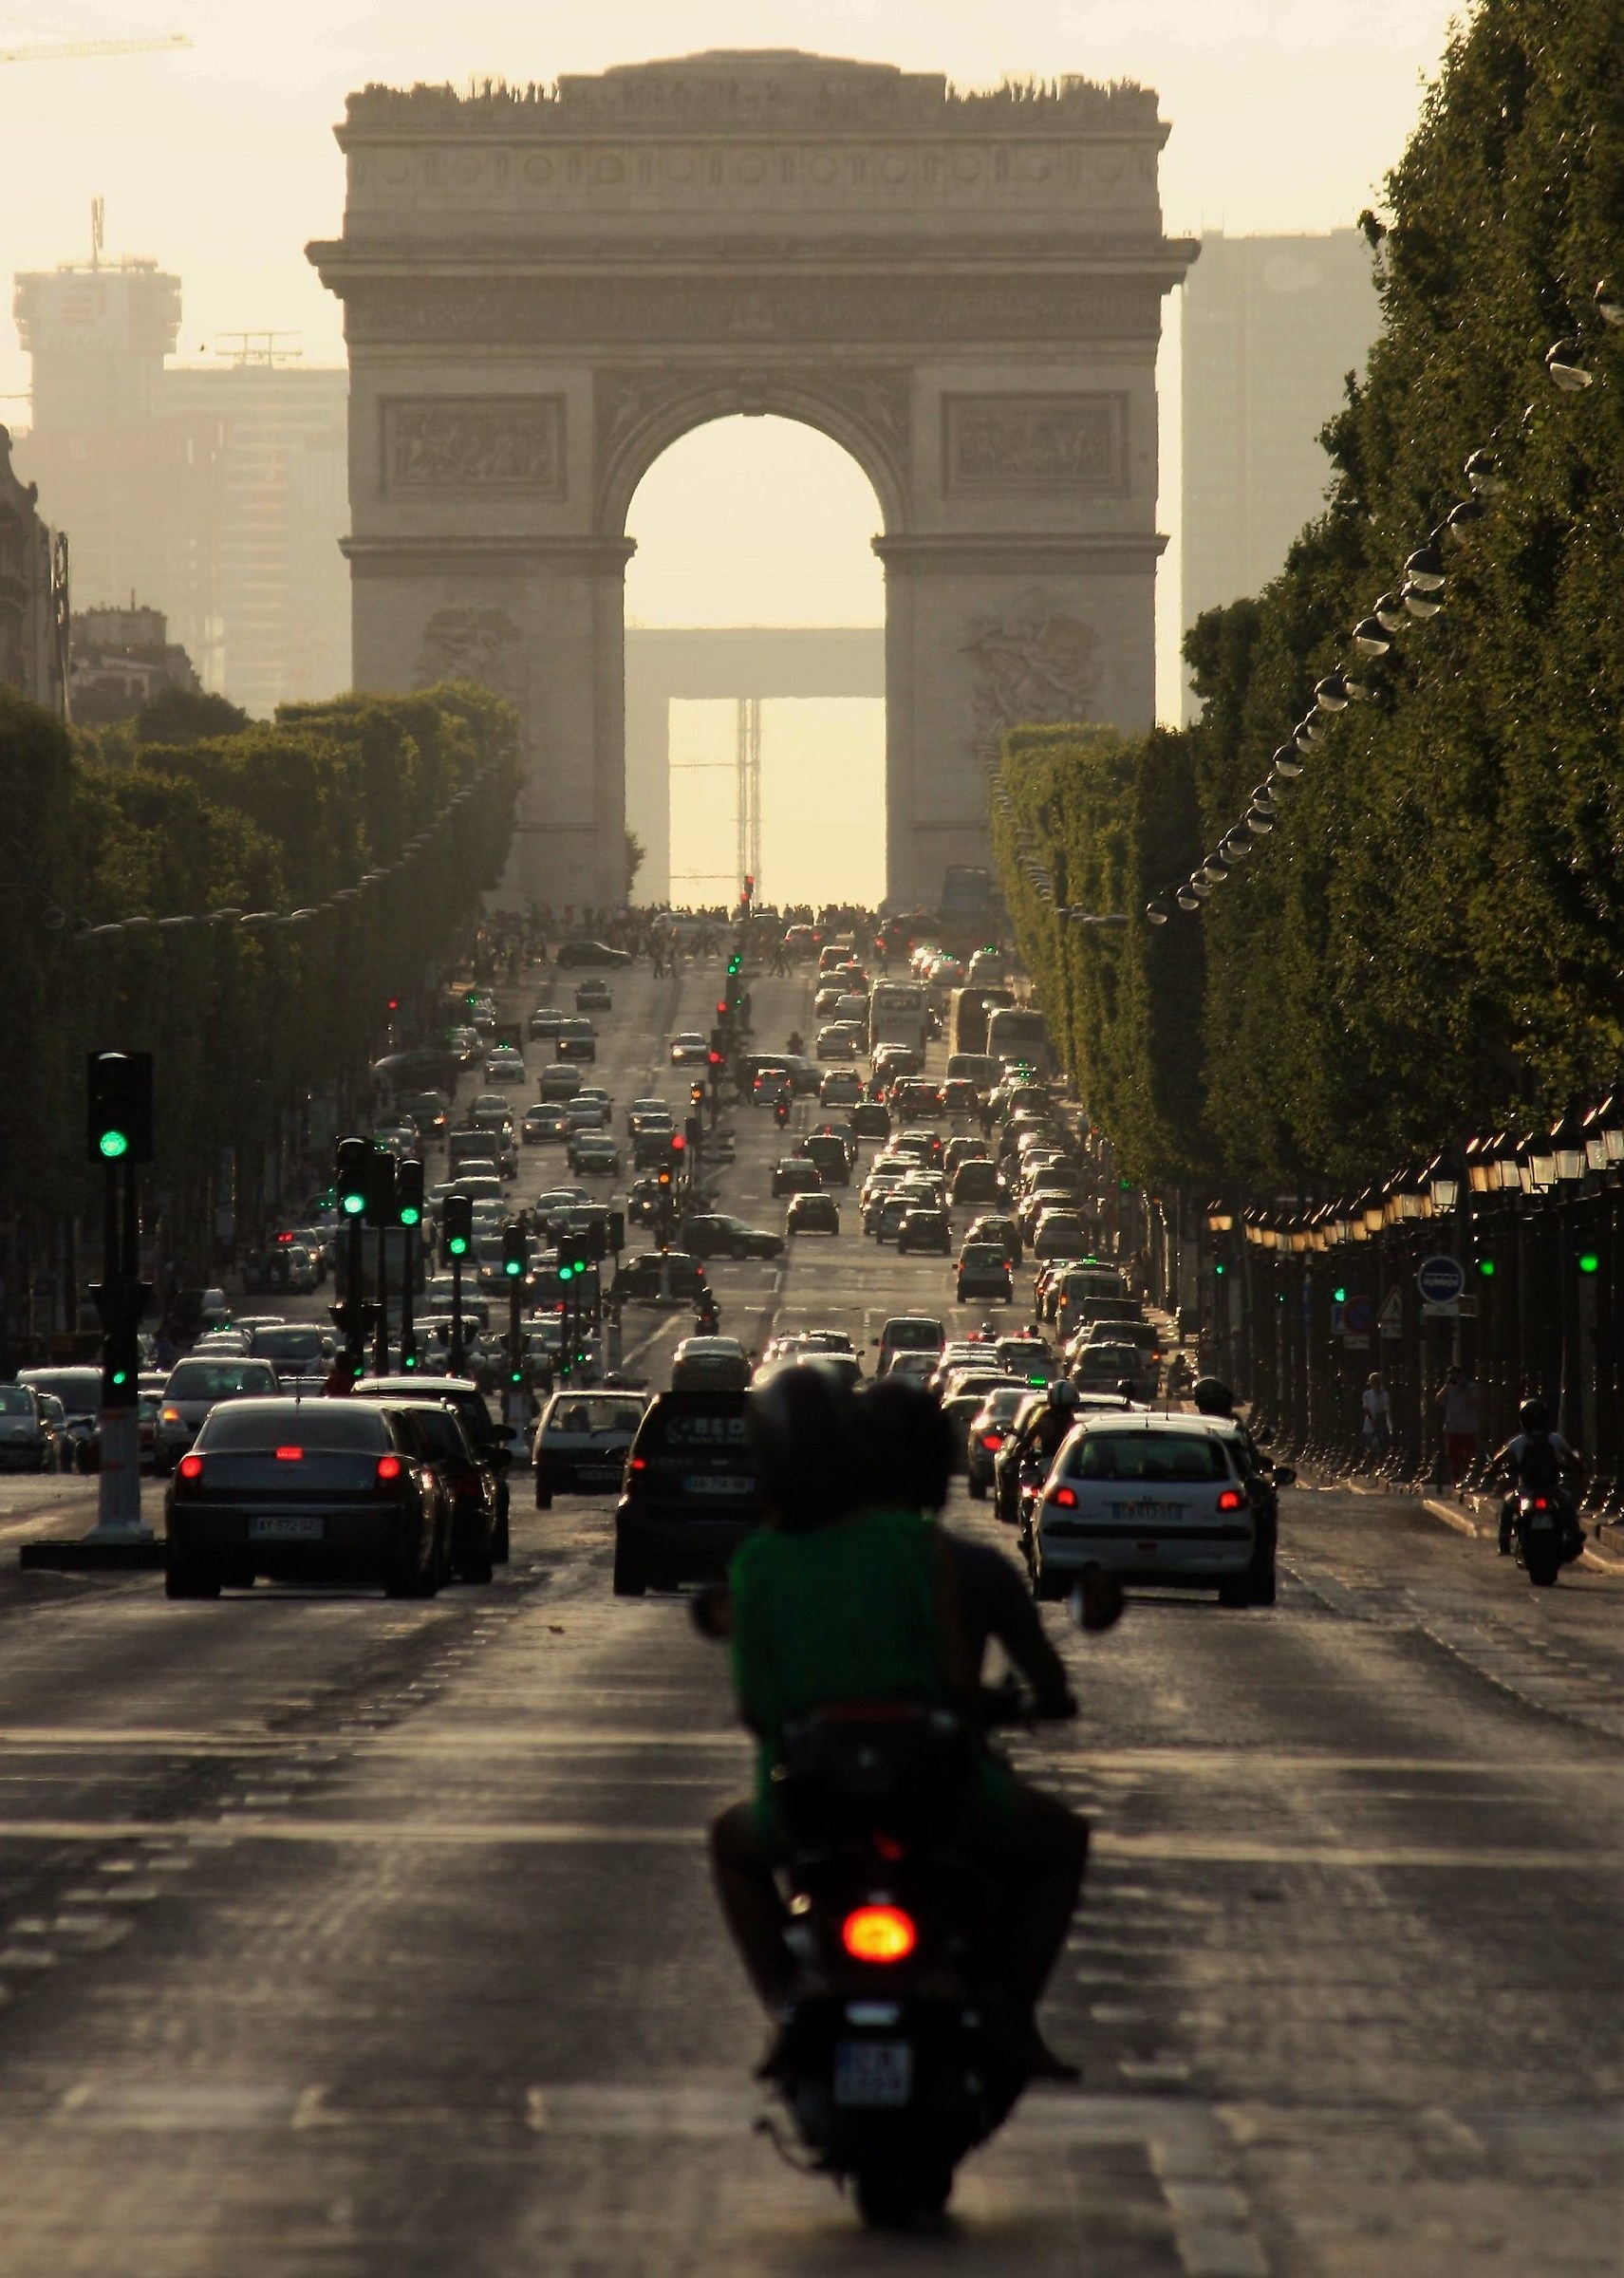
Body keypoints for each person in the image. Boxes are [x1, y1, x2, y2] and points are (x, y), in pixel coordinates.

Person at [708, 1370, 1088, 2083]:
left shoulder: (757, 1562)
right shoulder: (911, 1545)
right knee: (1059, 1842)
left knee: (731, 1847)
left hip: (809, 1800)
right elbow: (950, 1677)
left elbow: (756, 1710)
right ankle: (1009, 2015)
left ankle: (785, 2006)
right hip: (933, 1789)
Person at [1491, 1398, 1583, 1557]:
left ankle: (1504, 1543)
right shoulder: (1556, 1439)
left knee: (1507, 1505)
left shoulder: (1518, 1442)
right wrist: (1578, 1467)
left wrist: (1493, 1470)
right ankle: (1574, 1536)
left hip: (1526, 1491)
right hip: (1551, 1490)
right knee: (1567, 1504)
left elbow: (1497, 1460)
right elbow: (1573, 1461)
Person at [1436, 1367, 1480, 1491]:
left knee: (1469, 1457)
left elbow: (1472, 1401)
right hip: (1452, 1429)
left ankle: (1467, 1479)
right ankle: (1455, 1482)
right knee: (1454, 1458)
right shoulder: (1448, 1389)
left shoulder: (1471, 1387)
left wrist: (1463, 1388)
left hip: (1468, 1428)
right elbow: (1438, 1400)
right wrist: (1447, 1386)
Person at [1361, 1372, 1391, 1466]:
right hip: (1370, 1424)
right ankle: (1369, 1464)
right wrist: (1373, 1420)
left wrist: (1380, 1421)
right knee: (1371, 1445)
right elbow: (1366, 1408)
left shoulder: (1385, 1394)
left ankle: (1376, 1464)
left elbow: (1385, 1409)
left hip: (1382, 1423)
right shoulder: (1367, 1394)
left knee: (1380, 1445)